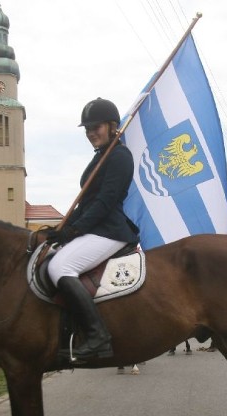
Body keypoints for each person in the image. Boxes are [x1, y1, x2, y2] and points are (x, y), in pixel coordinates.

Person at [46, 98, 139, 360]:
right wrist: (62, 227)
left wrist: (74, 230)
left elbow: (104, 202)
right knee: (49, 256)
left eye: (95, 127)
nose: (90, 133)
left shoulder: (120, 156)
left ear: (112, 126)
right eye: (86, 129)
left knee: (60, 267)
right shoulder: (100, 157)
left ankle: (98, 337)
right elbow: (87, 202)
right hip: (95, 229)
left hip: (109, 231)